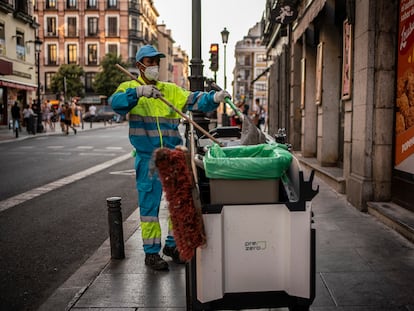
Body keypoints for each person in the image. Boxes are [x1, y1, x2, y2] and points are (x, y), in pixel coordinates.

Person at [109, 45, 230, 271]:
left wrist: (214, 97)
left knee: (179, 203)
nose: (154, 65)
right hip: (148, 159)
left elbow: (195, 99)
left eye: (157, 61)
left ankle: (173, 246)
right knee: (149, 208)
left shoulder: (170, 90)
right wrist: (138, 93)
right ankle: (151, 253)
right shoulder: (129, 87)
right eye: (150, 61)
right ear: (139, 66)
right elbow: (116, 104)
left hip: (173, 158)